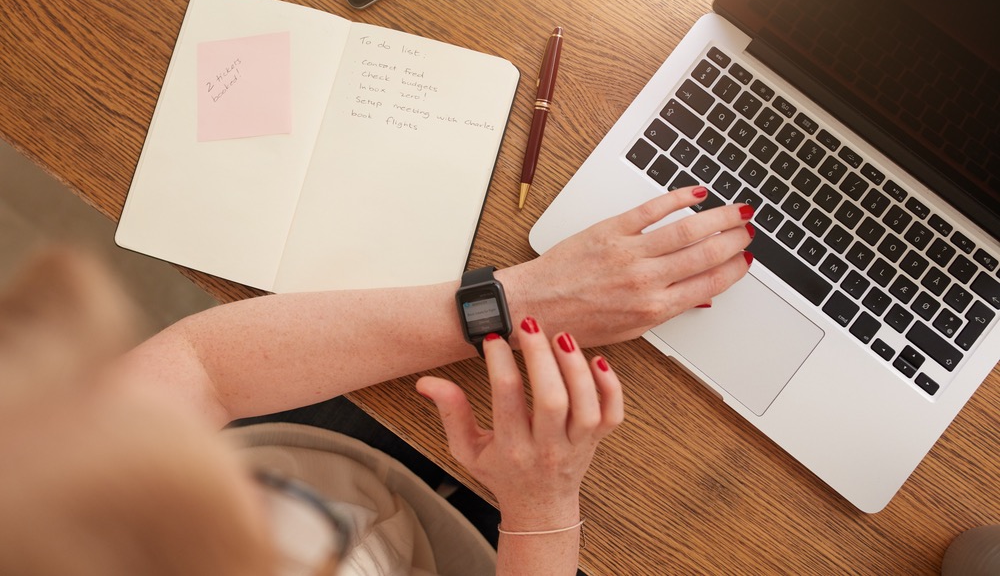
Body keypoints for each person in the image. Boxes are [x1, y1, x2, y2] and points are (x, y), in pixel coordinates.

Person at [0, 187, 753, 575]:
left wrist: (516, 300)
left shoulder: (33, 479)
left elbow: (202, 366)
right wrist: (542, 508)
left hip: (340, 446)